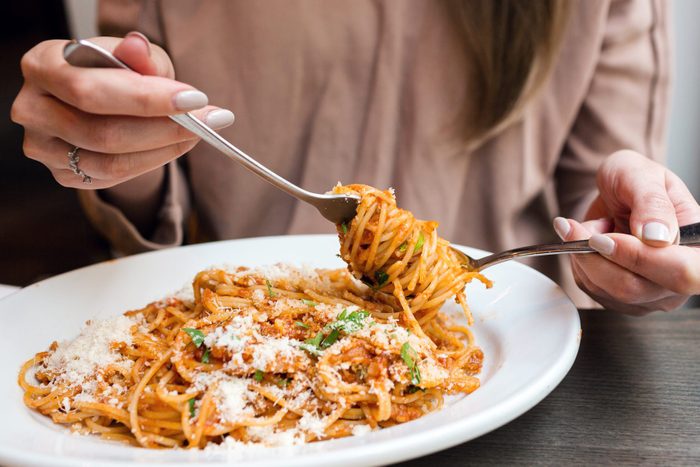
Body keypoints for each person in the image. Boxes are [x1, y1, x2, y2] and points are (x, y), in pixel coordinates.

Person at [10, 0, 700, 315]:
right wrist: (114, 138)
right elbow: (156, 204)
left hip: (496, 353)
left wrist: (622, 249)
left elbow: (594, 210)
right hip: (236, 330)